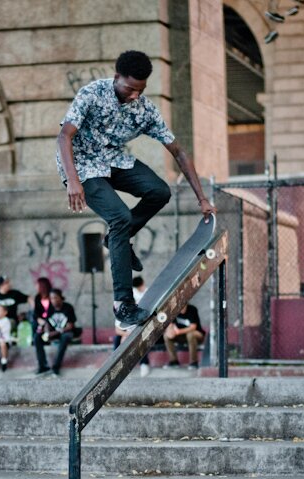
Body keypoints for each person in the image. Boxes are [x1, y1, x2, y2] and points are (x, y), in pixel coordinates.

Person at [57, 50, 215, 329]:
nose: (134, 96)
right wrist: (73, 180)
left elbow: (178, 152)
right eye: (129, 89)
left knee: (159, 191)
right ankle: (123, 305)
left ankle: (117, 238)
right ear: (116, 77)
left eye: (140, 90)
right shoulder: (91, 94)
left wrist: (202, 198)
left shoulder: (145, 109)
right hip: (81, 165)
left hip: (114, 160)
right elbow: (64, 136)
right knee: (119, 217)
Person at [34, 289, 81, 377]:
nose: (53, 300)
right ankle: (43, 366)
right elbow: (47, 322)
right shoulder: (50, 308)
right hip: (53, 333)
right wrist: (47, 333)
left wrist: (55, 333)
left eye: (55, 297)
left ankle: (56, 367)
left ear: (60, 297)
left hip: (65, 332)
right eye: (51, 298)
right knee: (37, 337)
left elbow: (70, 326)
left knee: (65, 337)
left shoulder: (68, 307)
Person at [164, 303, 204, 369]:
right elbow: (171, 325)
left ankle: (194, 362)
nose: (182, 308)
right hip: (181, 336)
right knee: (166, 336)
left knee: (190, 335)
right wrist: (170, 331)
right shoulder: (174, 311)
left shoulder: (192, 309)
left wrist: (179, 331)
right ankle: (174, 361)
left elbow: (193, 327)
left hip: (196, 334)